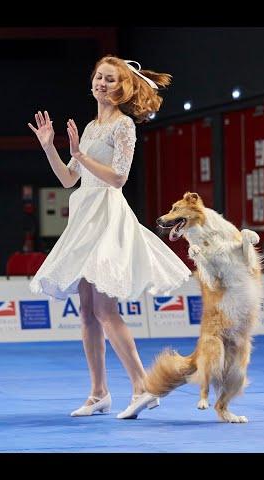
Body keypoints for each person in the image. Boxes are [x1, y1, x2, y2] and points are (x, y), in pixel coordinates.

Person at [27, 56, 192, 419]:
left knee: (104, 308)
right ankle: (99, 392)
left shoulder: (124, 126)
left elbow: (118, 178)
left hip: (107, 215)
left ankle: (142, 386)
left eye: (110, 79)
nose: (102, 83)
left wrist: (81, 155)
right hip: (84, 215)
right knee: (86, 311)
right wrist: (50, 147)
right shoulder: (88, 127)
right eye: (99, 77)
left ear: (122, 88)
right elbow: (69, 179)